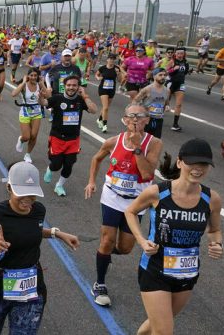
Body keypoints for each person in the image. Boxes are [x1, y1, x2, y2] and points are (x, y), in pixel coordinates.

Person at [0, 161, 79, 335]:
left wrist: (57, 234)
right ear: (9, 188)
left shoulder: (38, 210)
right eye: (22, 193)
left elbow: (31, 231)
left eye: (32, 194)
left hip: (30, 291)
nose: (28, 200)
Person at [125, 139, 223, 335]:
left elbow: (214, 230)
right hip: (154, 269)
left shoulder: (211, 199)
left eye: (203, 164)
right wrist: (142, 241)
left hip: (187, 272)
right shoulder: (158, 193)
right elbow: (130, 211)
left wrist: (217, 244)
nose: (198, 169)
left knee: (158, 324)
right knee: (164, 331)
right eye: (192, 163)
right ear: (179, 163)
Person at [84, 103, 162, 307]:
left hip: (136, 202)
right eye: (131, 116)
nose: (135, 120)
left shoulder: (153, 143)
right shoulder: (113, 141)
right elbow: (96, 158)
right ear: (125, 119)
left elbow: (146, 174)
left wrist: (137, 148)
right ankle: (99, 283)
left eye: (139, 116)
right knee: (107, 239)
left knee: (126, 248)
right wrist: (92, 181)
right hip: (112, 195)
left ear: (147, 120)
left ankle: (106, 253)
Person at [41, 75, 98, 196]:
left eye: (74, 85)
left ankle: (59, 185)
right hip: (57, 137)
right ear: (64, 86)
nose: (71, 87)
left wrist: (85, 96)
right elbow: (44, 102)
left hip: (73, 139)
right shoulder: (57, 98)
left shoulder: (80, 100)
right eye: (69, 85)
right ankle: (50, 169)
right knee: (56, 165)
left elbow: (94, 110)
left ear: (78, 87)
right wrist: (40, 96)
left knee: (69, 165)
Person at [11, 68, 46, 163]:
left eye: (35, 75)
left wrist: (43, 84)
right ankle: (21, 140)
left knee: (34, 136)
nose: (33, 77)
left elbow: (49, 96)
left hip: (37, 113)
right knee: (26, 136)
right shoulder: (24, 85)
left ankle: (28, 154)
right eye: (31, 75)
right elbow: (13, 94)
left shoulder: (40, 85)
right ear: (28, 76)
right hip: (25, 112)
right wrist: (23, 82)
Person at [134, 68, 170, 138]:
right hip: (146, 120)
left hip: (159, 120)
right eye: (160, 75)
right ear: (154, 76)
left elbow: (166, 102)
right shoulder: (147, 89)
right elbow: (135, 101)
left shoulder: (167, 90)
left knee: (155, 142)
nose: (163, 77)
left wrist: (167, 106)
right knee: (143, 141)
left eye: (164, 75)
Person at [95, 53, 122, 133]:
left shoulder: (116, 68)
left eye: (113, 59)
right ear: (107, 60)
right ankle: (105, 125)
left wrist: (118, 73)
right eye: (110, 59)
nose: (111, 60)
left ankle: (99, 119)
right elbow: (97, 74)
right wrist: (98, 78)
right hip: (103, 89)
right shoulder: (103, 68)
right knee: (106, 107)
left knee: (105, 107)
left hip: (111, 89)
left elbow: (120, 80)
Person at [166, 48, 190, 132]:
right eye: (178, 53)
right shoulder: (172, 61)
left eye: (181, 53)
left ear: (184, 54)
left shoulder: (186, 63)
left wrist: (189, 71)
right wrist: (173, 69)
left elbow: (185, 72)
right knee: (164, 102)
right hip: (171, 83)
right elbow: (166, 71)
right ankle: (156, 116)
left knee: (179, 105)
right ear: (175, 54)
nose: (180, 55)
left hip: (180, 84)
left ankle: (175, 124)